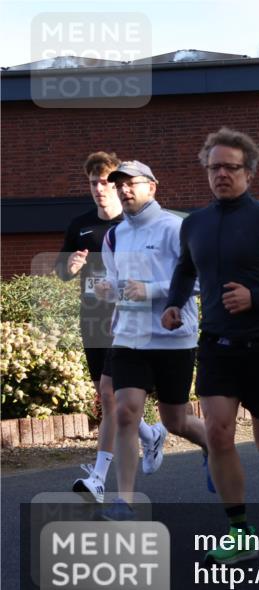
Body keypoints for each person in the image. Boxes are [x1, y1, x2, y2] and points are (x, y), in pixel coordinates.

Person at [164, 128, 259, 564]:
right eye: (214, 167)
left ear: (248, 173)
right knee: (217, 434)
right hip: (217, 345)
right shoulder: (194, 223)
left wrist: (256, 297)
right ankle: (240, 530)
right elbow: (185, 270)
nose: (221, 175)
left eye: (230, 168)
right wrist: (174, 303)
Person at [95, 160, 210, 519]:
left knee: (176, 420)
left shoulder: (175, 228)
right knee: (126, 411)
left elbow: (200, 280)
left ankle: (212, 446)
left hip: (173, 338)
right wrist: (109, 289)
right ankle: (124, 500)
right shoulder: (114, 236)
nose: (124, 190)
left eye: (132, 183)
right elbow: (117, 282)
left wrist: (152, 290)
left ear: (152, 187)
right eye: (119, 185)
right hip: (129, 338)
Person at [56, 152, 165, 503]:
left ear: (117, 186)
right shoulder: (80, 225)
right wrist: (70, 267)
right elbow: (61, 270)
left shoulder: (131, 226)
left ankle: (99, 478)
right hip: (93, 320)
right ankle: (150, 435)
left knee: (110, 395)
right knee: (108, 397)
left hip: (127, 320)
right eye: (93, 183)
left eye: (105, 182)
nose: (99, 189)